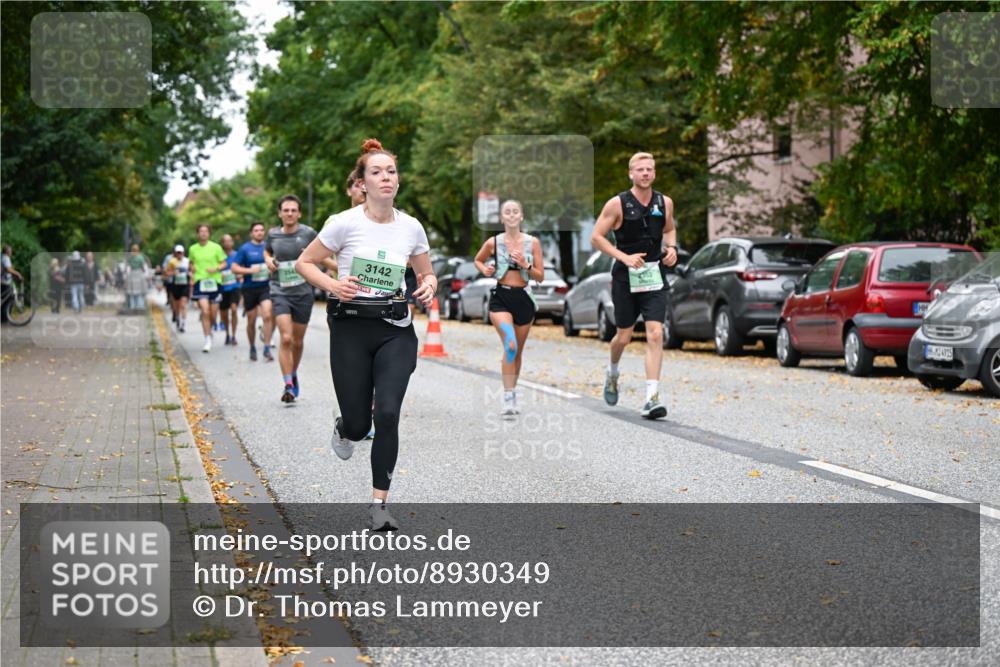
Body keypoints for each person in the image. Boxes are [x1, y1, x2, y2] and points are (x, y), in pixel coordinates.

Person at [297, 138, 436, 531]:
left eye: (391, 171)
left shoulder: (411, 226)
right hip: (351, 329)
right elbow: (304, 262)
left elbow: (426, 272)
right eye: (376, 172)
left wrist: (429, 285)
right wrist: (332, 285)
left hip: (395, 328)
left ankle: (379, 506)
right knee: (360, 425)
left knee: (388, 414)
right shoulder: (344, 222)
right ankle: (344, 428)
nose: (385, 177)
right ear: (362, 183)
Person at [590, 151, 678, 419]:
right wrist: (623, 257)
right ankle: (613, 372)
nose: (645, 174)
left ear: (654, 173)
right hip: (625, 277)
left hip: (654, 275)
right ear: (631, 173)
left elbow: (669, 229)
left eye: (650, 169)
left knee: (655, 334)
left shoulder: (665, 202)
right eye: (640, 170)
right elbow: (596, 237)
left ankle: (651, 398)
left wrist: (671, 248)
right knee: (623, 337)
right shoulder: (617, 204)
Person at [473, 200, 544, 417]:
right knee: (510, 345)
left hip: (524, 298)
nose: (512, 215)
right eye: (507, 212)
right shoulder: (494, 242)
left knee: (518, 352)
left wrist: (526, 264)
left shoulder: (532, 243)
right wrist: (485, 269)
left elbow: (540, 277)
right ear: (502, 218)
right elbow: (478, 260)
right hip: (501, 297)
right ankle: (507, 396)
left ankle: (513, 392)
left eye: (515, 212)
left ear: (521, 217)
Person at [265, 195, 322, 402]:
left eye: (293, 210)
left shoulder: (308, 233)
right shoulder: (273, 235)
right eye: (285, 210)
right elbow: (267, 251)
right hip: (279, 290)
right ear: (280, 213)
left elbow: (322, 254)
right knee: (286, 338)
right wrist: (268, 261)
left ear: (299, 213)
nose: (289, 213)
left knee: (297, 342)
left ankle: (293, 372)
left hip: (303, 293)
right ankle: (288, 383)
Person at [231, 222, 275, 361]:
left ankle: (267, 347)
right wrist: (249, 270)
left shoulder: (269, 247)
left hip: (265, 287)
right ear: (251, 233)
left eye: (262, 230)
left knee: (267, 315)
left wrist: (272, 267)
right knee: (251, 321)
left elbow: (276, 261)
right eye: (256, 230)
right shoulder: (244, 249)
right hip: (249, 288)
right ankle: (252, 347)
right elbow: (234, 268)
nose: (260, 232)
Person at [188, 224, 227, 353]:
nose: (203, 233)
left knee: (213, 314)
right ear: (197, 234)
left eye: (206, 231)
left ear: (209, 233)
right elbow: (191, 264)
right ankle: (207, 339)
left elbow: (224, 263)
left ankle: (210, 330)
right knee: (205, 311)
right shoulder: (193, 249)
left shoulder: (216, 247)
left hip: (215, 282)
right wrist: (192, 270)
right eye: (201, 231)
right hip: (200, 282)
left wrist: (216, 269)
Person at [219, 234, 241, 345]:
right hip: (222, 288)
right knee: (224, 313)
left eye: (230, 241)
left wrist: (240, 275)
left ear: (232, 242)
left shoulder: (237, 255)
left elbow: (241, 268)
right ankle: (227, 334)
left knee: (233, 309)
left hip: (234, 287)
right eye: (225, 241)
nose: (228, 243)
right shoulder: (218, 256)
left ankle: (233, 335)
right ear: (222, 243)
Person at [165, 245, 191, 332]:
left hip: (185, 285)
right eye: (177, 253)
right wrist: (173, 272)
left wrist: (190, 275)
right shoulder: (172, 262)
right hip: (175, 285)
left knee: (183, 304)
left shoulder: (187, 261)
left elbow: (192, 271)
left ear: (183, 253)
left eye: (181, 253)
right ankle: (178, 318)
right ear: (175, 253)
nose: (179, 254)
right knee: (177, 306)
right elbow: (167, 273)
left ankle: (183, 323)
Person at [125, 244, 150, 311]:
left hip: (132, 274)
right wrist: (146, 275)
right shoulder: (140, 257)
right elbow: (144, 267)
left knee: (132, 291)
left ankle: (133, 306)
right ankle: (139, 306)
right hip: (139, 274)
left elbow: (128, 268)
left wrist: (127, 276)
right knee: (139, 291)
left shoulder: (130, 257)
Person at [1, 246, 24, 320]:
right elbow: (8, 269)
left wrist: (13, 274)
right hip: (4, 282)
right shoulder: (6, 258)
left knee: (5, 299)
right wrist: (17, 274)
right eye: (10, 251)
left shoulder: (2, 257)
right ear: (7, 251)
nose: (11, 252)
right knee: (9, 299)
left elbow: (7, 269)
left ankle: (4, 317)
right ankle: (5, 318)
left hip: (3, 281)